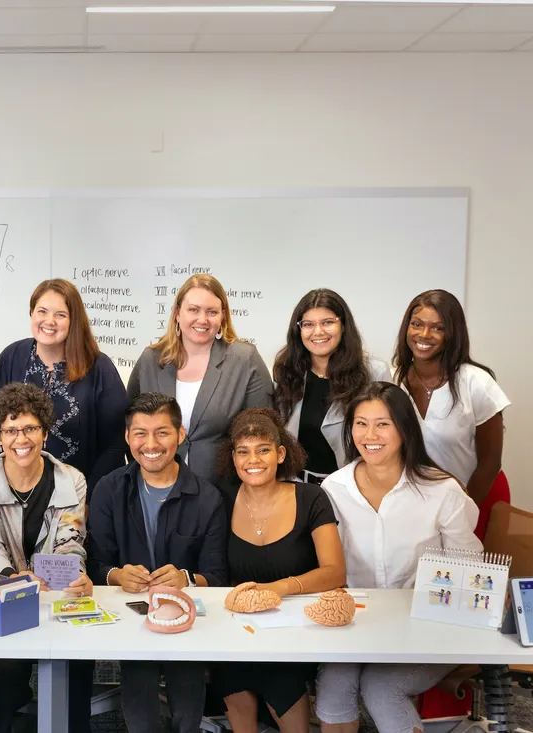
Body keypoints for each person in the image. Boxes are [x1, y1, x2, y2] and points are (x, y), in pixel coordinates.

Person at [318, 382, 481, 733]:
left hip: (427, 624)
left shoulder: (442, 491)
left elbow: (470, 571)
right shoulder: (335, 488)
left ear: (405, 429)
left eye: (383, 423)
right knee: (333, 686)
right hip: (360, 623)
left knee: (382, 687)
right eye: (361, 423)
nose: (369, 434)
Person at [88, 393, 228, 733]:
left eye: (162, 432)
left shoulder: (207, 497)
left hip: (188, 619)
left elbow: (219, 574)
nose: (151, 444)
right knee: (139, 703)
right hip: (129, 617)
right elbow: (94, 562)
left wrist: (187, 579)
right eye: (140, 433)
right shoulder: (109, 489)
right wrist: (116, 575)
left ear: (180, 435)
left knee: (188, 697)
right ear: (127, 437)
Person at [0, 383, 93, 733]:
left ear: (45, 433)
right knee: (4, 671)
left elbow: (71, 540)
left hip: (55, 597)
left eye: (31, 428)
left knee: (76, 662)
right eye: (10, 430)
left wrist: (76, 575)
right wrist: (15, 578)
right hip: (2, 597)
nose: (22, 438)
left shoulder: (72, 480)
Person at [211, 407, 345, 733]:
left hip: (295, 630)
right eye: (243, 451)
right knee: (232, 676)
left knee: (282, 684)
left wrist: (280, 588)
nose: (252, 460)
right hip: (238, 627)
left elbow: (334, 572)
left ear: (281, 453)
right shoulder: (220, 498)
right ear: (233, 457)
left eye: (263, 450)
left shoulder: (312, 498)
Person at [127, 274, 273, 485]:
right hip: (156, 486)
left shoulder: (244, 359)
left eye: (211, 312)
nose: (202, 319)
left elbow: (262, 431)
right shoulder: (151, 359)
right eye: (193, 310)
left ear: (223, 316)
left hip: (222, 490)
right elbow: (129, 423)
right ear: (177, 313)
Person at [0, 278, 128, 494]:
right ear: (31, 313)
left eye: (60, 315)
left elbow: (116, 443)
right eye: (42, 311)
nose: (49, 321)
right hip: (15, 492)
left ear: (74, 320)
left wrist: (90, 497)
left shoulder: (99, 367)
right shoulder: (12, 357)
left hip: (80, 493)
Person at [393, 289, 509, 506]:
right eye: (416, 324)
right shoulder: (394, 380)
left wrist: (462, 509)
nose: (424, 334)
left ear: (452, 333)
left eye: (438, 328)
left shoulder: (477, 383)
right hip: (416, 504)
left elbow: (491, 463)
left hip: (473, 498)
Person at [273, 289, 391, 482]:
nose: (318, 332)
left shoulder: (373, 373)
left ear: (343, 326)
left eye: (328, 322)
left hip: (353, 487)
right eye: (308, 324)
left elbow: (389, 435)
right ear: (298, 330)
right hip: (296, 486)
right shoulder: (287, 372)